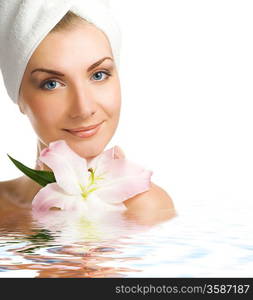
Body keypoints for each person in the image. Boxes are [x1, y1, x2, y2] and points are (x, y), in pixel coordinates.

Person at [0, 1, 175, 225]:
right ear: (19, 97)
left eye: (99, 75)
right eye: (52, 84)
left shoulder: (147, 209)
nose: (84, 109)